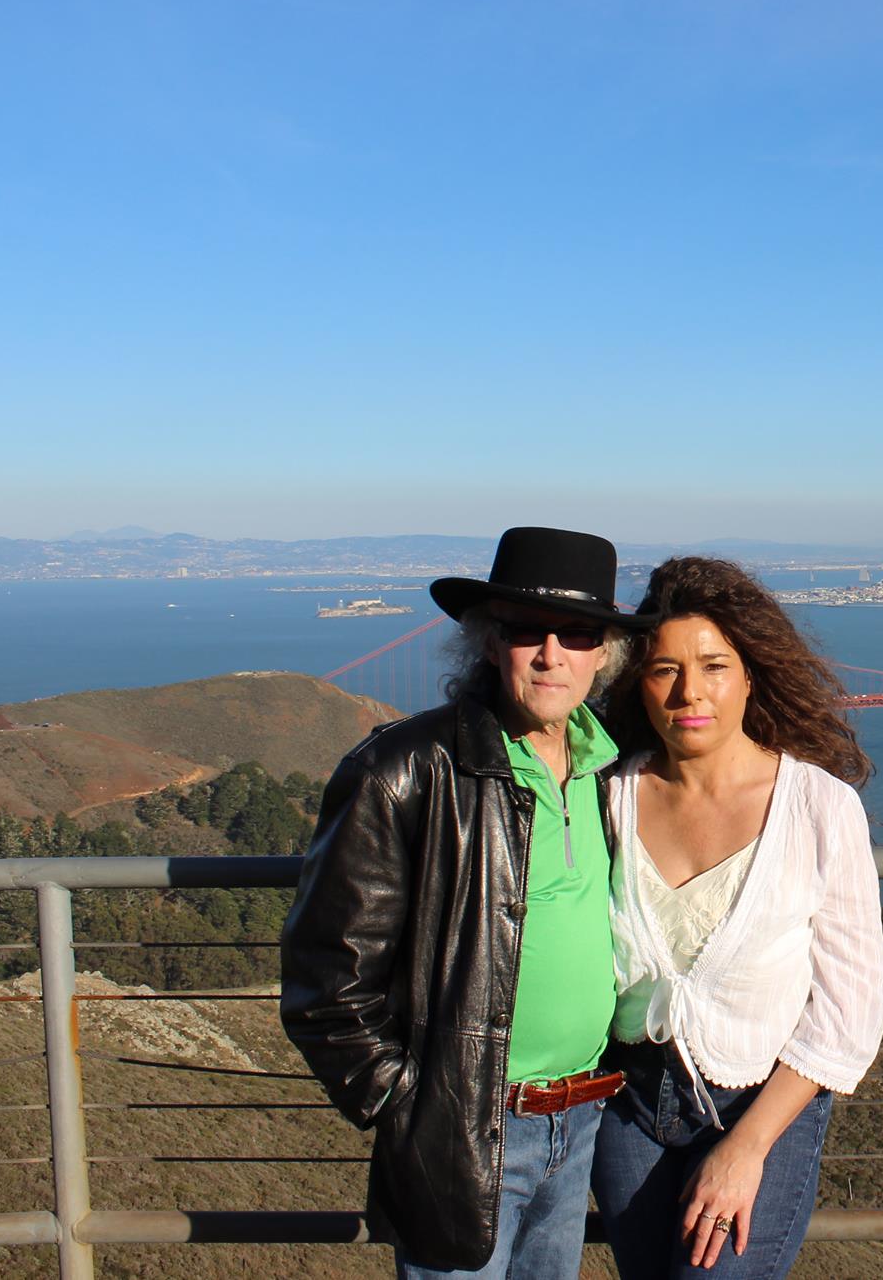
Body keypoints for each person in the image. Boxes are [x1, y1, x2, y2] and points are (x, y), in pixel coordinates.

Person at [280, 526, 654, 1277]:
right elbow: (325, 980)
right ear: (490, 642)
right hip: (466, 1131)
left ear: (603, 654)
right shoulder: (406, 770)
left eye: (578, 633)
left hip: (582, 1122)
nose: (553, 653)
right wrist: (413, 1107)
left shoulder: (612, 770)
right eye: (527, 631)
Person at [593, 557, 883, 1278]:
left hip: (761, 1105)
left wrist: (747, 1145)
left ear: (751, 673)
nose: (689, 691)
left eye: (714, 665)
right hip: (626, 1105)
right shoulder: (606, 799)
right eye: (664, 669)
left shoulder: (819, 807)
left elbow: (850, 1011)